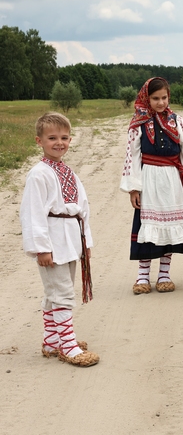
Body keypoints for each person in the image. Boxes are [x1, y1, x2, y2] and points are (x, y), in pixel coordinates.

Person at [20, 112, 100, 367]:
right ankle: (68, 346)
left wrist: (85, 243)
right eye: (52, 138)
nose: (59, 143)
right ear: (39, 141)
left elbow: (82, 209)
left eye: (64, 138)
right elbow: (33, 213)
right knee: (62, 292)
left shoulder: (68, 171)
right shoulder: (38, 174)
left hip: (70, 240)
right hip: (52, 242)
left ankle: (52, 340)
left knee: (55, 291)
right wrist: (41, 248)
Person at [120, 77, 183, 294]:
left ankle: (164, 274)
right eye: (155, 98)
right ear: (146, 98)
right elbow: (132, 156)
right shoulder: (138, 123)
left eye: (164, 98)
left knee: (170, 227)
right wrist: (134, 188)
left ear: (169, 97)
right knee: (148, 227)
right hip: (149, 180)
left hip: (173, 181)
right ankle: (142, 276)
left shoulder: (178, 122)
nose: (160, 102)